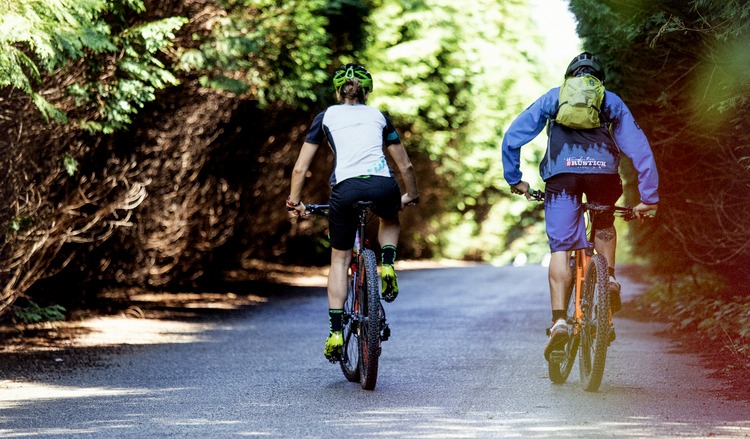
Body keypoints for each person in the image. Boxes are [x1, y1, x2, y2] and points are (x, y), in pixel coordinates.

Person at [501, 52, 659, 362]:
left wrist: (515, 179)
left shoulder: (554, 96)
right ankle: (609, 277)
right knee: (603, 224)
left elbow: (512, 137)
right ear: (600, 79)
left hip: (563, 179)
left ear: (569, 75)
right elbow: (640, 149)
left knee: (561, 248)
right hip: (603, 176)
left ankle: (560, 321)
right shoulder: (609, 100)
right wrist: (649, 198)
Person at [287, 63, 420, 362]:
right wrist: (410, 194)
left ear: (338, 91)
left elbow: (300, 167)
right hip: (383, 186)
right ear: (367, 91)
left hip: (345, 190)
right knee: (389, 217)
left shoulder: (326, 116)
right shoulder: (379, 117)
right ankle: (387, 264)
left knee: (340, 258)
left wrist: (294, 202)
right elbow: (406, 166)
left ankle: (336, 332)